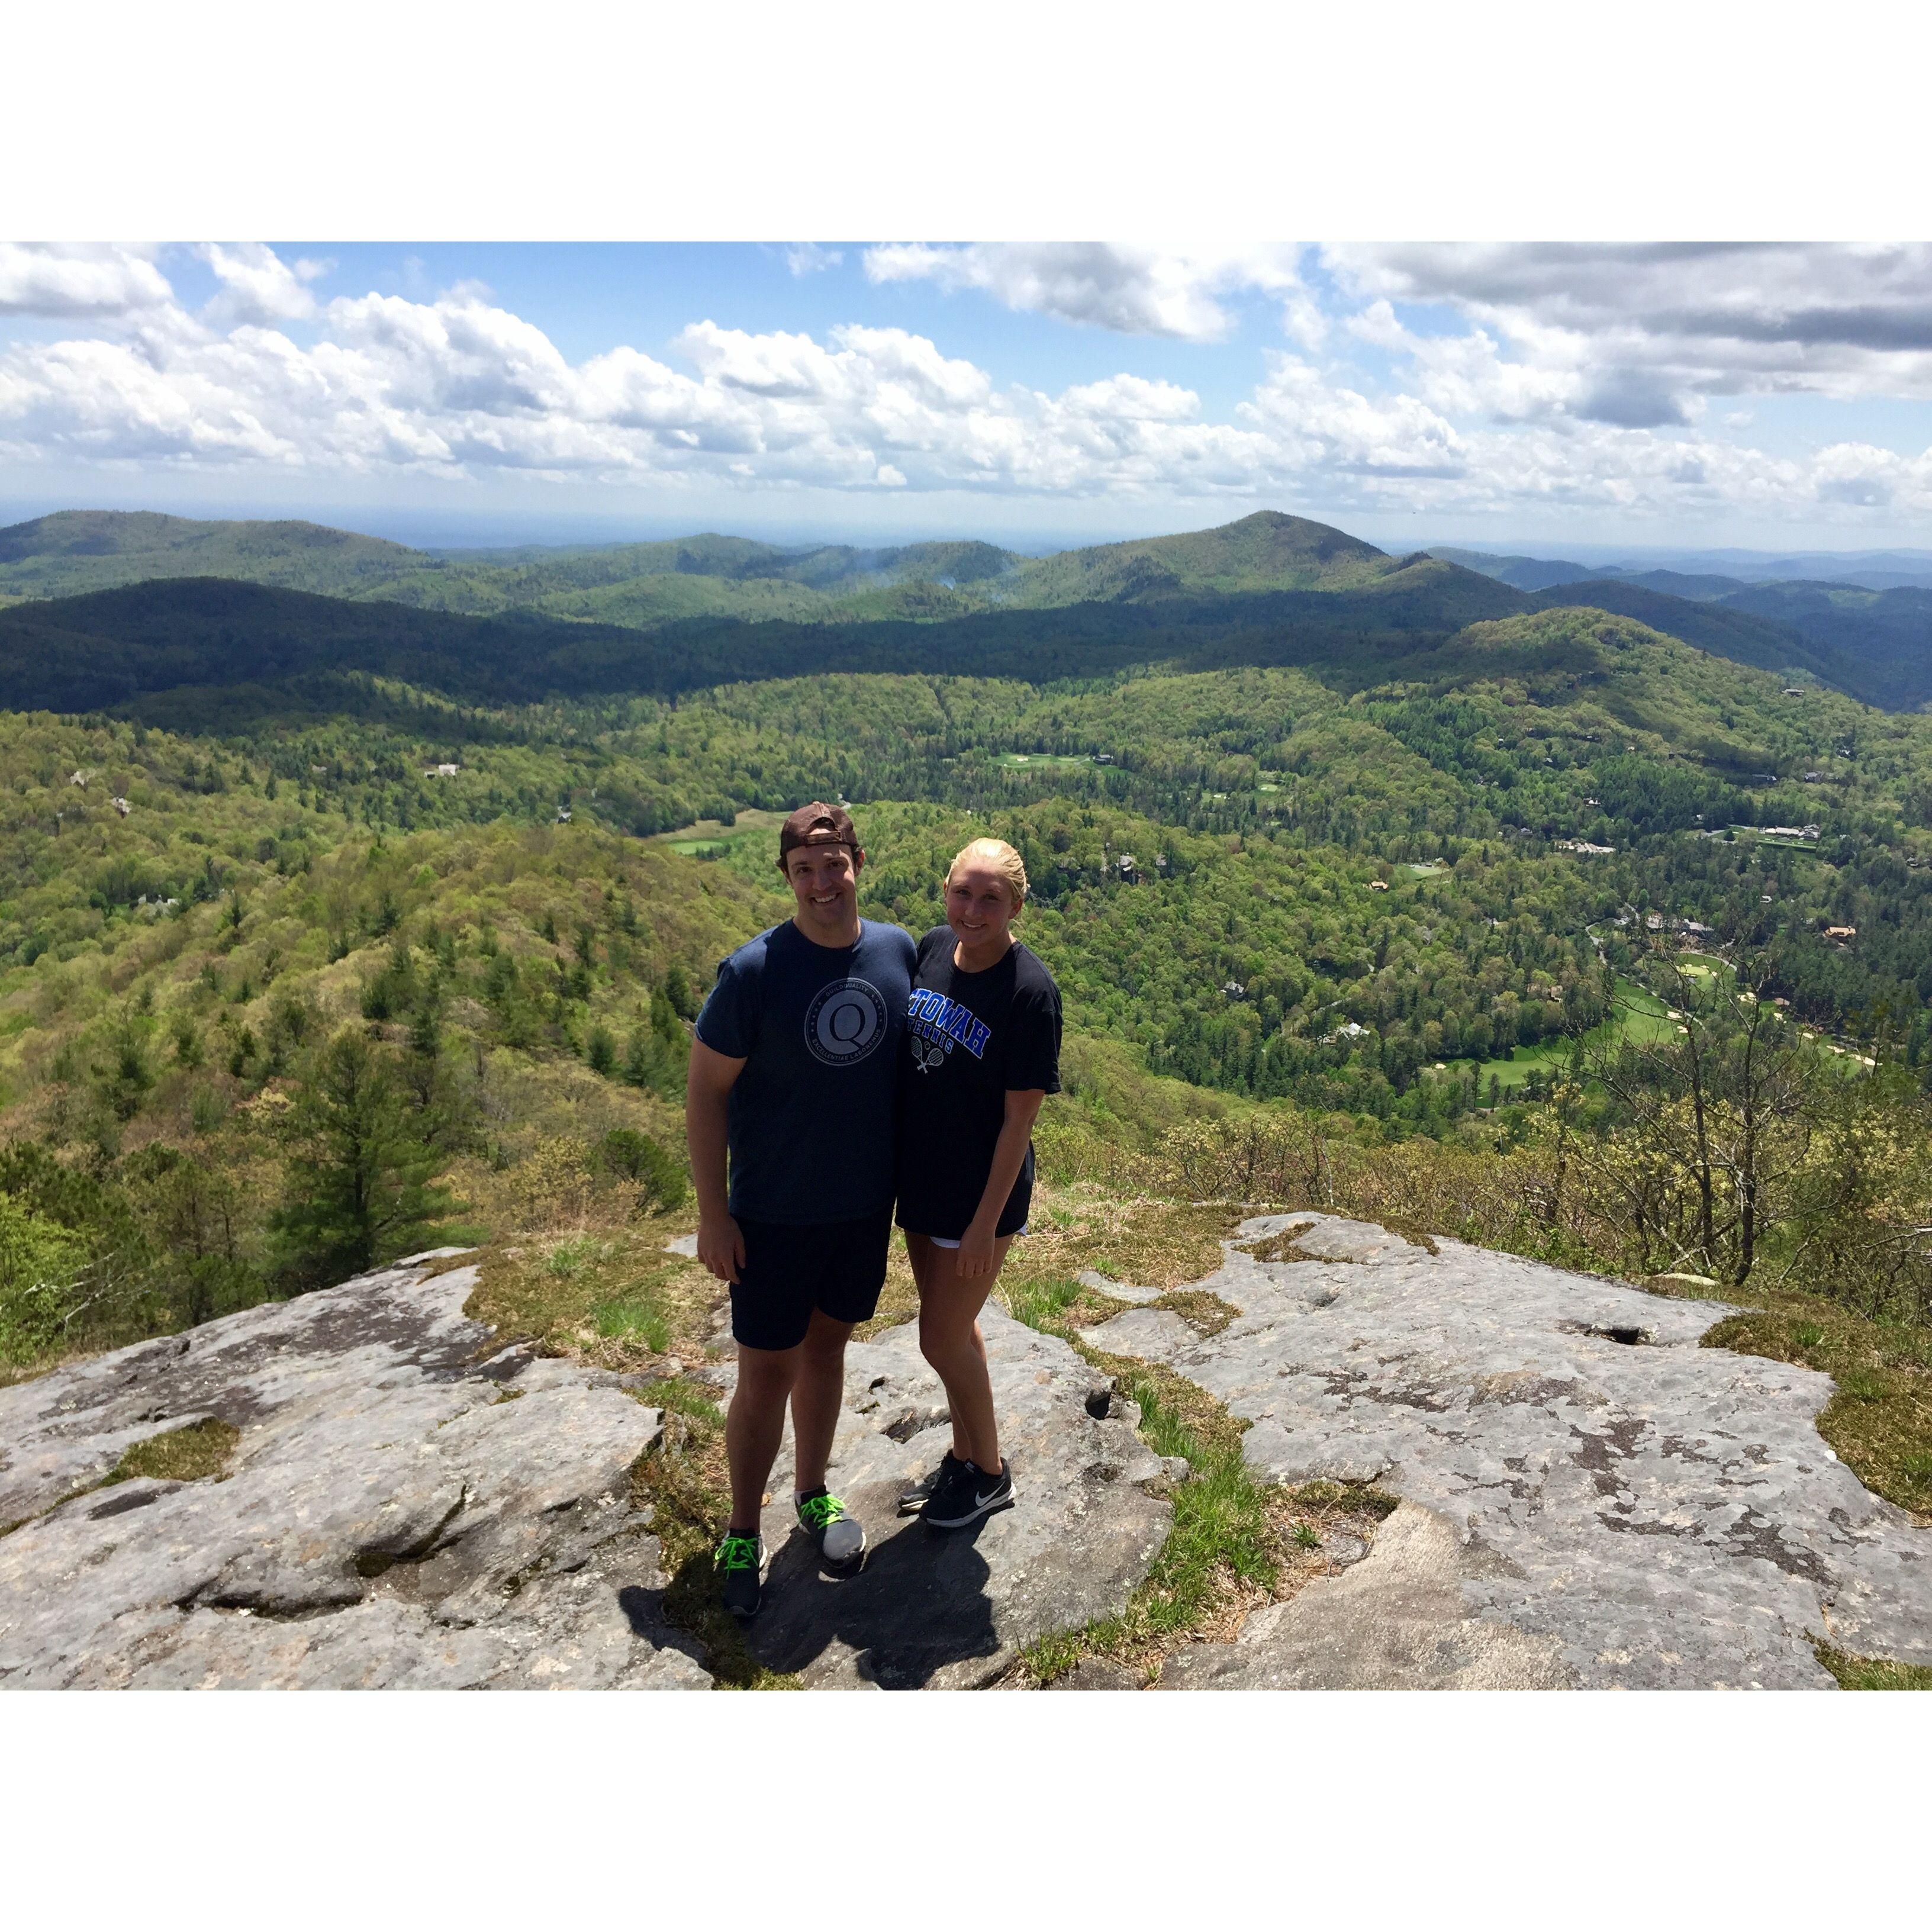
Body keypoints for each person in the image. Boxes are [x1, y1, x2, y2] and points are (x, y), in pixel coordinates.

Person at [685, 803, 916, 1619]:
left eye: (834, 864)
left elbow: (937, 1047)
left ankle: (812, 1493)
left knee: (827, 1353)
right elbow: (706, 1094)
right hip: (774, 1214)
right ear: (787, 877)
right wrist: (714, 1217)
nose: (822, 883)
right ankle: (743, 1530)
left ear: (859, 862)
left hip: (860, 1210)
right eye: (804, 870)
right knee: (765, 1373)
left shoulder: (896, 951)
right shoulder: (753, 973)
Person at [895, 836, 1062, 1528]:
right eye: (963, 892)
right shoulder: (933, 948)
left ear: (1016, 904)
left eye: (991, 898)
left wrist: (983, 1225)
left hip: (979, 1200)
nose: (973, 909)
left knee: (938, 1339)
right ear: (945, 892)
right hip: (923, 1185)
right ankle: (964, 1459)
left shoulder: (1030, 993)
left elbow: (1017, 1125)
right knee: (957, 1331)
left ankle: (990, 1473)